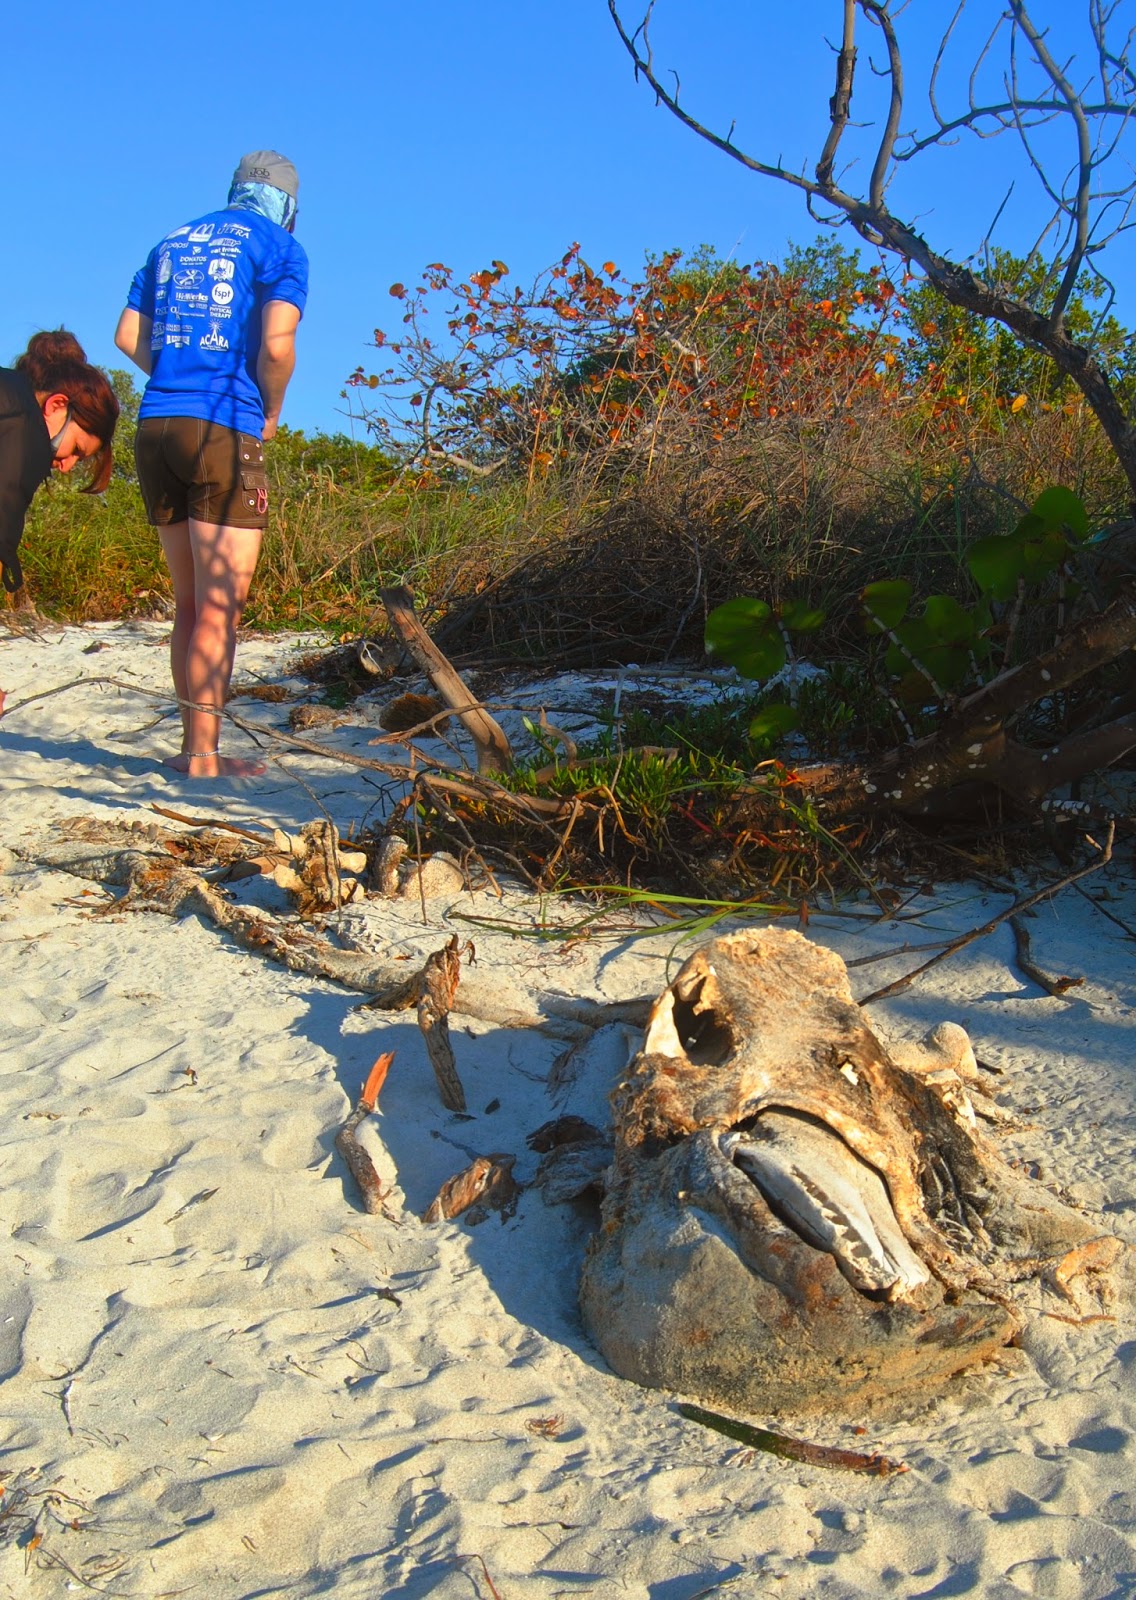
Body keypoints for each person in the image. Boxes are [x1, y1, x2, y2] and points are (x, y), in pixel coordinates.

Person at [115, 150, 308, 778]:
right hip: (223, 425)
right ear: (289, 203)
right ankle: (203, 756)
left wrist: (174, 377)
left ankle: (188, 747)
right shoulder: (279, 246)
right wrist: (269, 411)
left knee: (190, 604)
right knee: (220, 607)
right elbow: (278, 344)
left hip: (155, 425)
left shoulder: (171, 239)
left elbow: (125, 336)